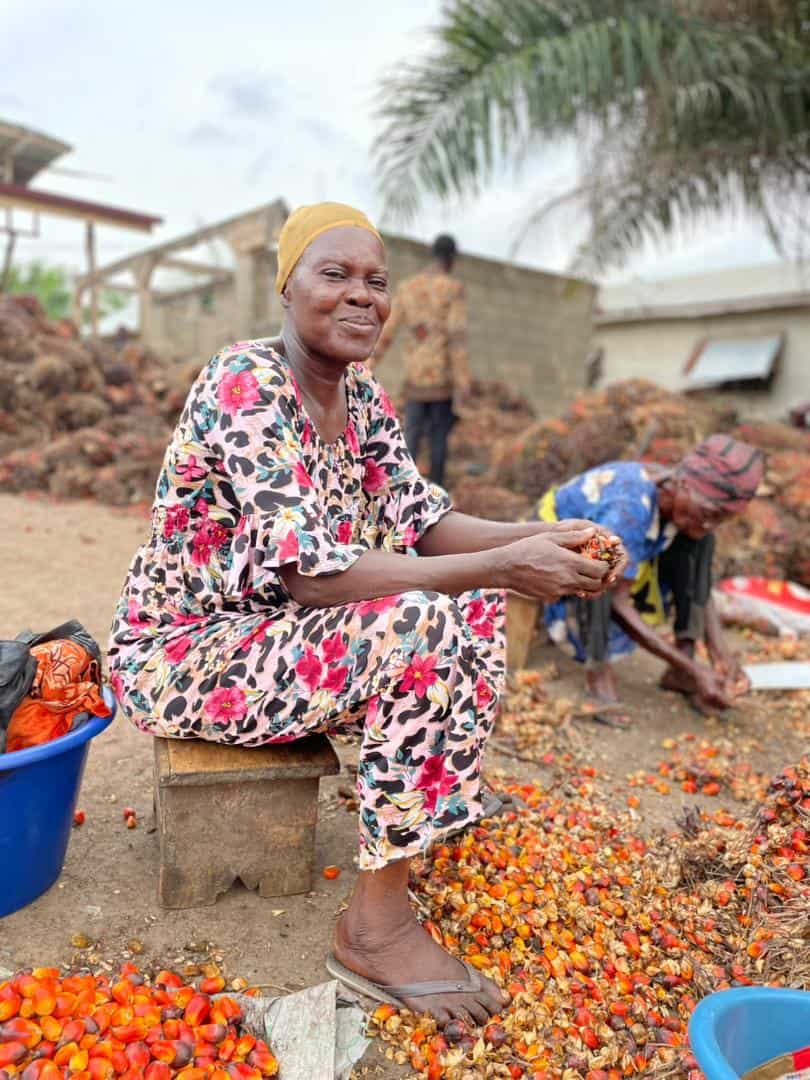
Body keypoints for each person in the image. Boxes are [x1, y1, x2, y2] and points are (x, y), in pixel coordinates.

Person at [108, 201, 624, 1026]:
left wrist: (544, 535)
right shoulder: (248, 382)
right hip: (191, 651)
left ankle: (432, 792)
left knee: (473, 596)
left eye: (377, 282)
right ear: (287, 287)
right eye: (335, 275)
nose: (362, 297)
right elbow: (315, 577)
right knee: (425, 617)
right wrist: (499, 563)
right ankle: (375, 931)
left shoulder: (364, 398)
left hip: (278, 637)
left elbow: (425, 521)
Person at [536, 436, 764, 726]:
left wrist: (722, 655)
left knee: (700, 542)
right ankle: (597, 670)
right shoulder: (629, 506)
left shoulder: (679, 490)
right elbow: (615, 599)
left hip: (626, 553)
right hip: (553, 556)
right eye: (708, 513)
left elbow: (701, 586)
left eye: (721, 519)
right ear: (682, 483)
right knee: (600, 566)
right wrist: (696, 670)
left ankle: (683, 661)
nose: (710, 524)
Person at [368, 233, 469, 487]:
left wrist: (369, 364)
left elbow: (388, 331)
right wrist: (463, 380)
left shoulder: (408, 288)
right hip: (441, 380)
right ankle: (436, 494)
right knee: (438, 438)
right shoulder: (452, 289)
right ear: (452, 258)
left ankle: (406, 491)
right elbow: (457, 336)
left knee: (411, 435)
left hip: (414, 377)